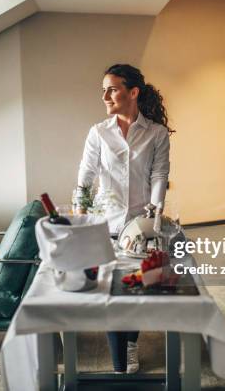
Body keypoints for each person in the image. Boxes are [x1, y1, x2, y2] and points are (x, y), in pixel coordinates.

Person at [77, 64, 173, 374]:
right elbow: (86, 175)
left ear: (133, 92)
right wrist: (80, 212)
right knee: (109, 294)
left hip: (141, 228)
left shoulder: (156, 133)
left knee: (134, 291)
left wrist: (155, 215)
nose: (105, 95)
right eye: (103, 89)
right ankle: (120, 358)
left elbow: (159, 174)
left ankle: (130, 344)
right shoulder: (98, 132)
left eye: (112, 88)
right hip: (105, 225)